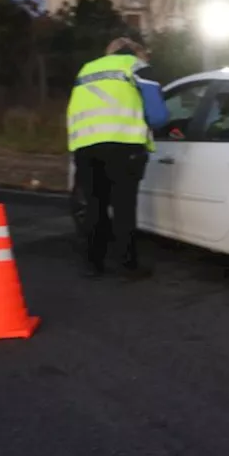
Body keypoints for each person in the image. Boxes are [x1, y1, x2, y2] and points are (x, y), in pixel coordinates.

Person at [67, 37, 167, 279]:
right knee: (123, 207)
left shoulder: (87, 68)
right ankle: (127, 265)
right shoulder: (136, 66)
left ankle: (93, 264)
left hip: (85, 146)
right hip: (123, 145)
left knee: (95, 207)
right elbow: (157, 115)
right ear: (137, 52)